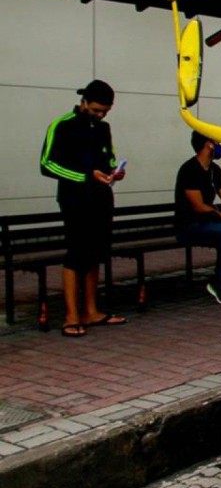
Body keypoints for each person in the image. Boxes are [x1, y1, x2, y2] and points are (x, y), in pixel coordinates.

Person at [39, 79, 128, 337]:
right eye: (96, 110)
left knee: (96, 252)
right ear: (84, 102)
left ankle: (91, 310)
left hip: (101, 198)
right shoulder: (62, 125)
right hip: (74, 199)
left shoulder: (103, 128)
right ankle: (71, 315)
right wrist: (87, 176)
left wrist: (114, 172)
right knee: (76, 253)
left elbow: (109, 158)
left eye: (105, 111)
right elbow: (47, 164)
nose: (100, 115)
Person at [175, 131, 221, 305]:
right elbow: (199, 206)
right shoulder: (189, 170)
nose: (219, 146)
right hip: (189, 226)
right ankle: (220, 283)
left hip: (207, 222)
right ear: (208, 145)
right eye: (216, 142)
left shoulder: (214, 170)